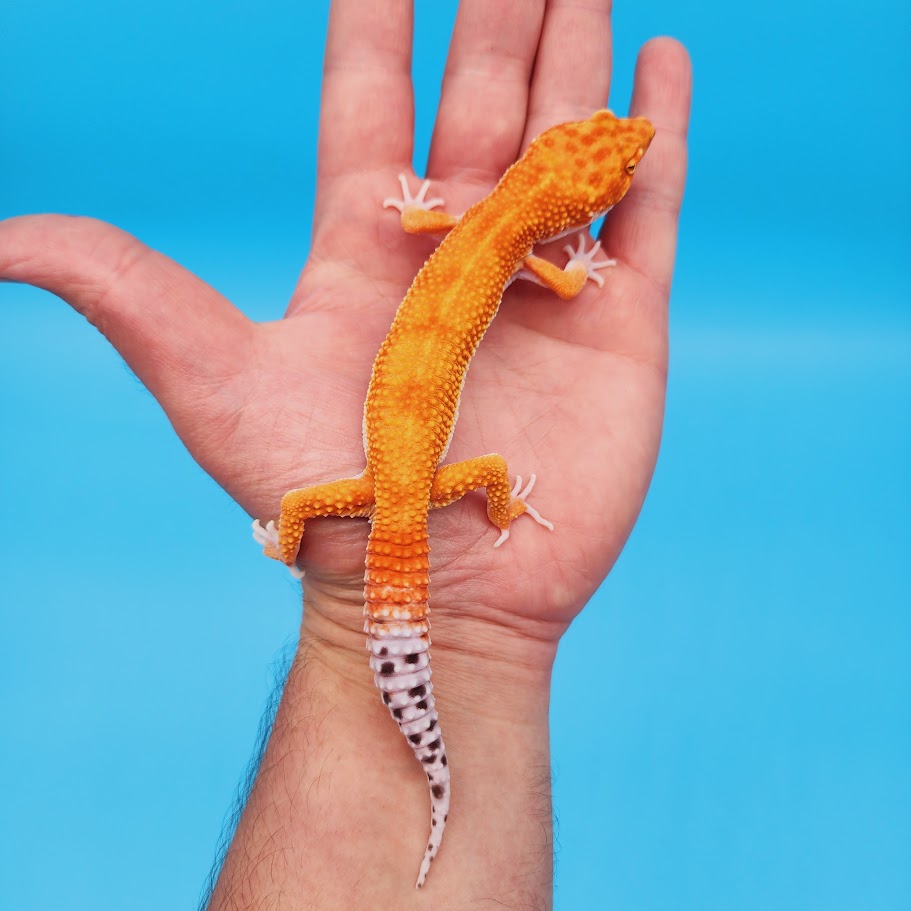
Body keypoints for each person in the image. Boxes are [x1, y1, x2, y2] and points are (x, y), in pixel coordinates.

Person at [0, 1, 691, 906]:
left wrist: (414, 211)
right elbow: (560, 282)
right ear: (577, 202)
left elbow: (433, 229)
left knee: (347, 505)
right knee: (377, 502)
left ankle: (306, 553)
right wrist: (577, 275)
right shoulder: (528, 246)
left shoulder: (487, 216)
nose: (629, 147)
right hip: (405, 478)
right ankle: (331, 566)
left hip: (400, 473)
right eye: (615, 158)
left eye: (620, 156)